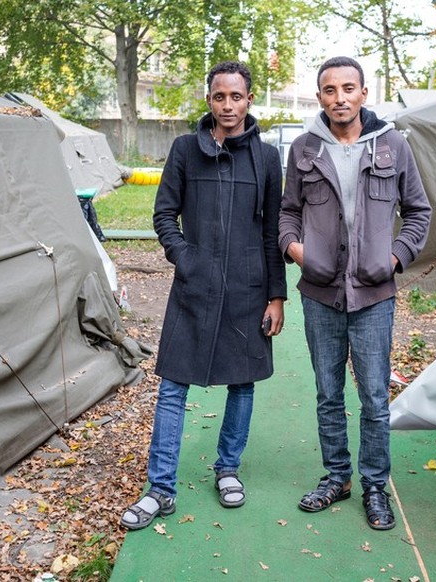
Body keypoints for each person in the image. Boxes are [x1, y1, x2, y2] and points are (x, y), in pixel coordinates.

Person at [120, 61, 287, 531]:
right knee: (173, 386)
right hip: (193, 288)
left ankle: (228, 468)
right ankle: (160, 487)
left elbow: (273, 229)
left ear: (249, 99)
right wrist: (187, 259)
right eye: (219, 97)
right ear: (209, 99)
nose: (228, 105)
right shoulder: (184, 150)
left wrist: (276, 295)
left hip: (248, 291)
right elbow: (163, 216)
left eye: (236, 96)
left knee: (242, 383)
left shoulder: (267, 158)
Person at [278, 56, 431, 530]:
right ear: (319, 96)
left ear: (364, 93)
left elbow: (419, 212)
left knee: (373, 398)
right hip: (321, 295)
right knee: (328, 392)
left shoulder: (392, 145)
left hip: (374, 296)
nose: (339, 97)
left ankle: (374, 486)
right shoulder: (304, 149)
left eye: (349, 88)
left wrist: (392, 260)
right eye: (329, 89)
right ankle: (337, 477)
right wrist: (298, 251)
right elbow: (286, 213)